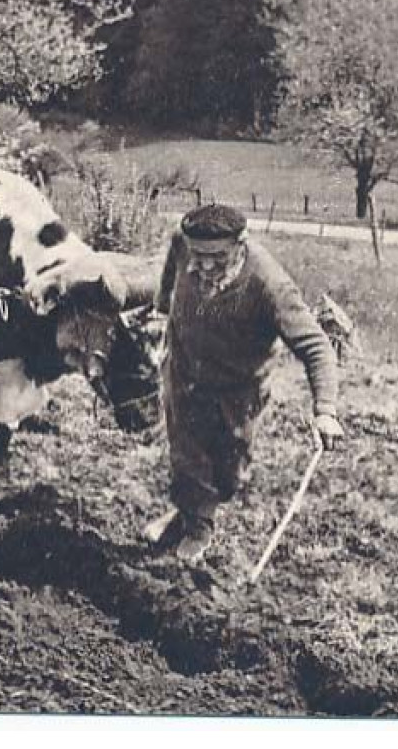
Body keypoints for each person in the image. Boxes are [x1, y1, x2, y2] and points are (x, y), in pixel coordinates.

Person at [143, 203, 346, 563]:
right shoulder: (182, 243)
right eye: (198, 256)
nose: (204, 267)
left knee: (229, 474)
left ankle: (195, 511)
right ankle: (196, 525)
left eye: (217, 258)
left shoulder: (268, 284)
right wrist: (162, 308)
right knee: (187, 456)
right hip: (186, 373)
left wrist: (325, 411)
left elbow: (316, 347)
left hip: (238, 391)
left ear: (241, 244)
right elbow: (171, 272)